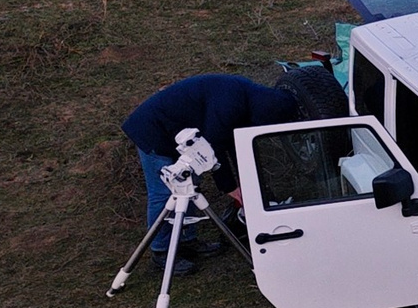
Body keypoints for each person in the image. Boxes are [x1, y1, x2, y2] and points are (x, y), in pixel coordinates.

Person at [120, 73, 299, 272]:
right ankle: (161, 252)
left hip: (180, 134)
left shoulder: (246, 98)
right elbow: (215, 146)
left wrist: (246, 181)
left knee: (190, 185)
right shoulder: (230, 103)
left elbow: (235, 144)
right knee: (164, 193)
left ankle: (187, 241)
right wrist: (230, 188)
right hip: (153, 130)